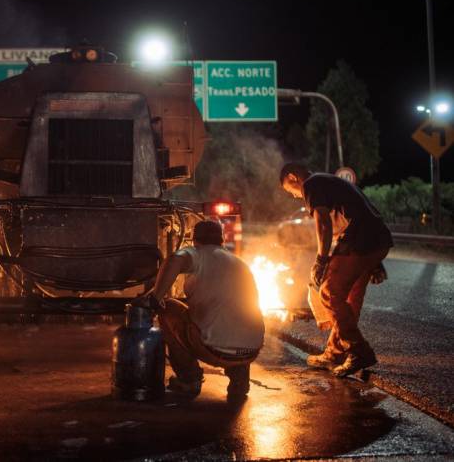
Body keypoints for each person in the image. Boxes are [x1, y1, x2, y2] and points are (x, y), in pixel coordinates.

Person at [279, 163, 392, 377]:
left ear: (293, 177)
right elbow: (365, 212)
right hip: (376, 241)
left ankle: (359, 350)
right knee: (349, 299)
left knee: (330, 293)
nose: (295, 196)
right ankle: (335, 352)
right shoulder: (330, 181)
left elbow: (322, 222)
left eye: (290, 191)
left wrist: (321, 260)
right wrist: (374, 259)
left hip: (358, 242)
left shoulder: (311, 184)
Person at [140, 220, 264, 401]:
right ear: (221, 240)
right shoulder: (238, 262)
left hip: (213, 349)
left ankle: (189, 379)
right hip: (250, 351)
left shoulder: (198, 253)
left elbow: (174, 259)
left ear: (194, 240)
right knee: (234, 316)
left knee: (168, 309)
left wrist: (155, 298)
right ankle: (239, 379)